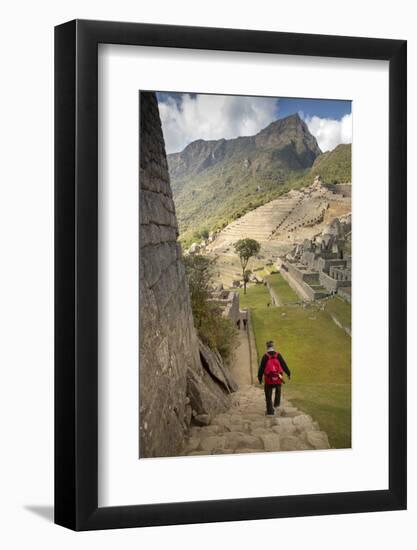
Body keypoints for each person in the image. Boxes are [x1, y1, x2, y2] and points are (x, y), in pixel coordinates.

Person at [258, 340, 291, 415]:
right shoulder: (278, 355)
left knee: (268, 394)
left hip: (268, 378)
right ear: (273, 346)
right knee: (278, 390)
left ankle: (270, 411)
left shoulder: (265, 356)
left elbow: (261, 369)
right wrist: (288, 373)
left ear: (267, 347)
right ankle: (276, 405)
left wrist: (260, 379)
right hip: (278, 377)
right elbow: (284, 365)